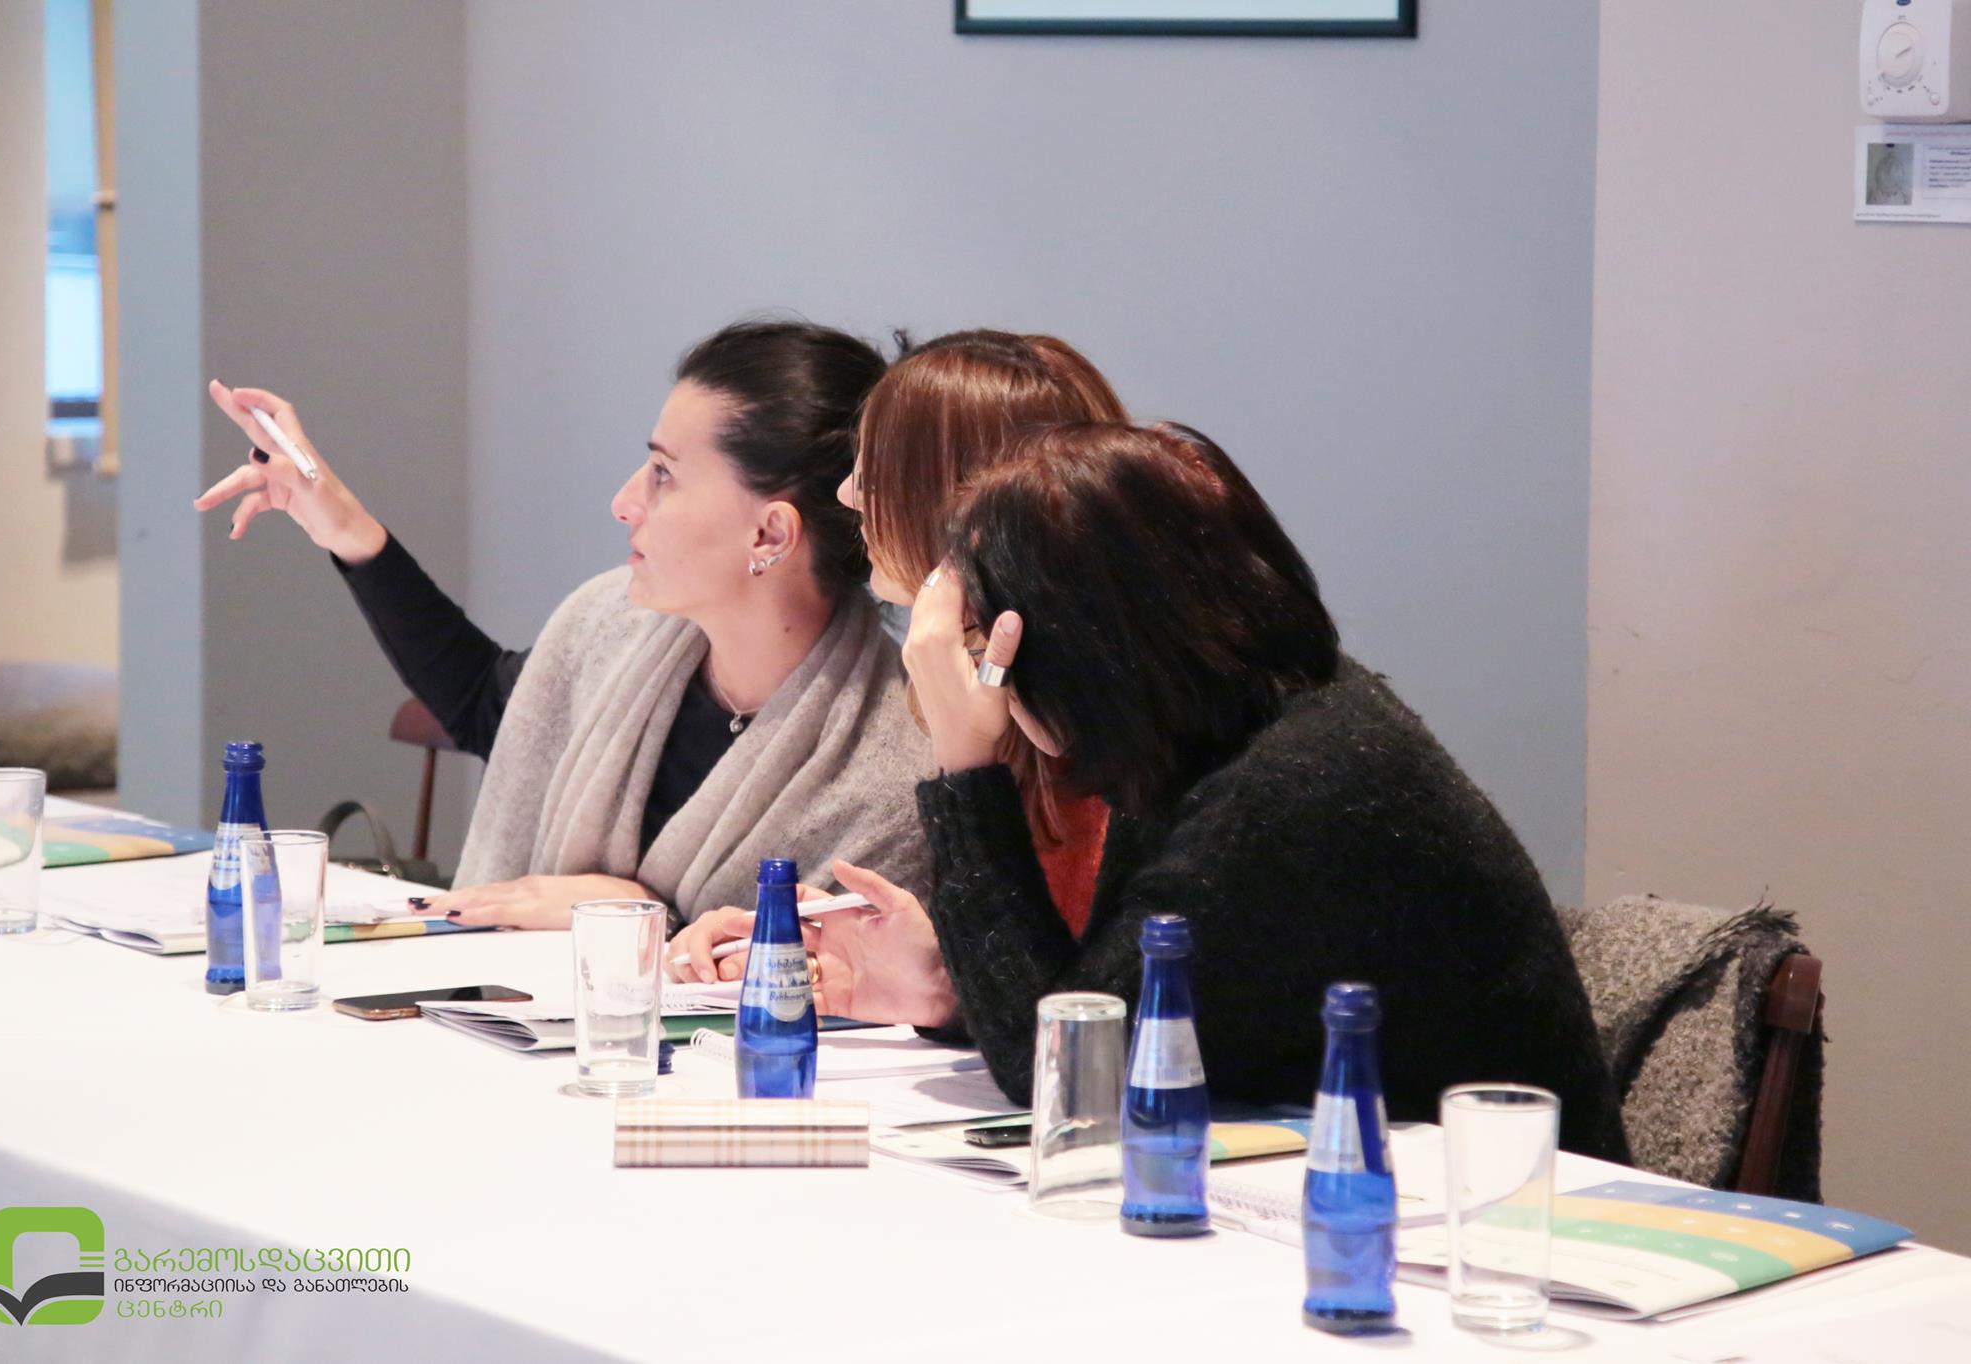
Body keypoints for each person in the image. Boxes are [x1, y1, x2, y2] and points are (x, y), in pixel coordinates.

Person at [723, 420, 1629, 1160]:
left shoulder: (1291, 794)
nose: (985, 683)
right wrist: (950, 987)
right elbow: (1091, 1008)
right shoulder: (1243, 724)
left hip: (1502, 1239)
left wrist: (966, 772)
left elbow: (1068, 1076)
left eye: (983, 649)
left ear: (1072, 649)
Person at [192, 320, 935, 928]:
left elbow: (833, 992)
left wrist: (638, 922)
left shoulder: (891, 766)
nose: (625, 501)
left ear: (769, 535)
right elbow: (492, 706)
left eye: (664, 474)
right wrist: (344, 527)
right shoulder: (612, 627)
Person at [666, 328, 1127, 979]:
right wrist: (892, 966)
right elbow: (999, 983)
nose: (849, 494)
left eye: (880, 470)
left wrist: (967, 769)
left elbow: (1056, 1008)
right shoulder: (1012, 707)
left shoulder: (1098, 755)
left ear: (969, 499)